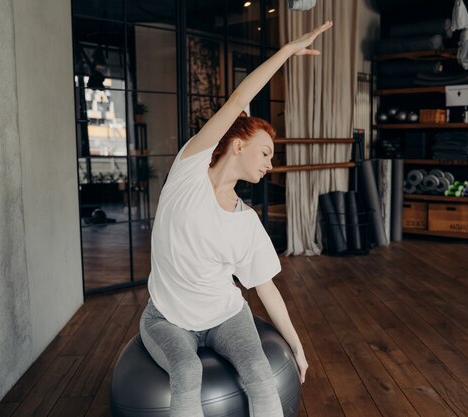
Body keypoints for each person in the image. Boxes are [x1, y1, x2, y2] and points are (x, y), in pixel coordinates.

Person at [139, 21, 334, 417]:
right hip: (167, 319)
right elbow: (240, 97)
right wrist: (285, 52)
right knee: (188, 372)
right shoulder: (188, 171)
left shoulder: (246, 221)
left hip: (227, 316)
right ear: (238, 144)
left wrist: (297, 346)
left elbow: (267, 289)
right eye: (266, 153)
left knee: (261, 375)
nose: (270, 163)